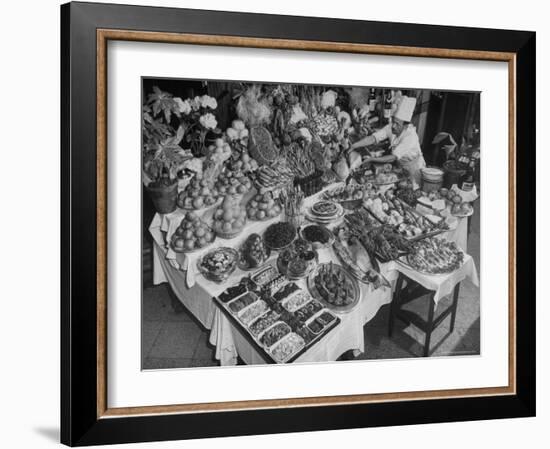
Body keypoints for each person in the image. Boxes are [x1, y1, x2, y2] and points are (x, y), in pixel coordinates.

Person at [348, 96, 426, 186]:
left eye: (397, 124)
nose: (393, 126)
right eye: (393, 121)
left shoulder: (410, 136)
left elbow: (393, 157)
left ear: (405, 126)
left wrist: (372, 159)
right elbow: (373, 138)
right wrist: (354, 145)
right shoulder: (391, 127)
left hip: (414, 169)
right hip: (401, 167)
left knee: (412, 190)